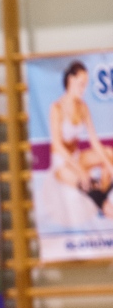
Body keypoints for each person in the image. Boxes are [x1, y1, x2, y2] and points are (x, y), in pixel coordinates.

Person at [49, 61, 113, 216]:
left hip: (76, 158)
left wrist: (108, 164)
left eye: (85, 85)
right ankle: (102, 201)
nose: (83, 89)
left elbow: (94, 141)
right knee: (88, 185)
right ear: (70, 80)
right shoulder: (56, 108)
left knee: (109, 153)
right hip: (62, 164)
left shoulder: (82, 106)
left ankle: (101, 192)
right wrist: (80, 171)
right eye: (80, 84)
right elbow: (57, 145)